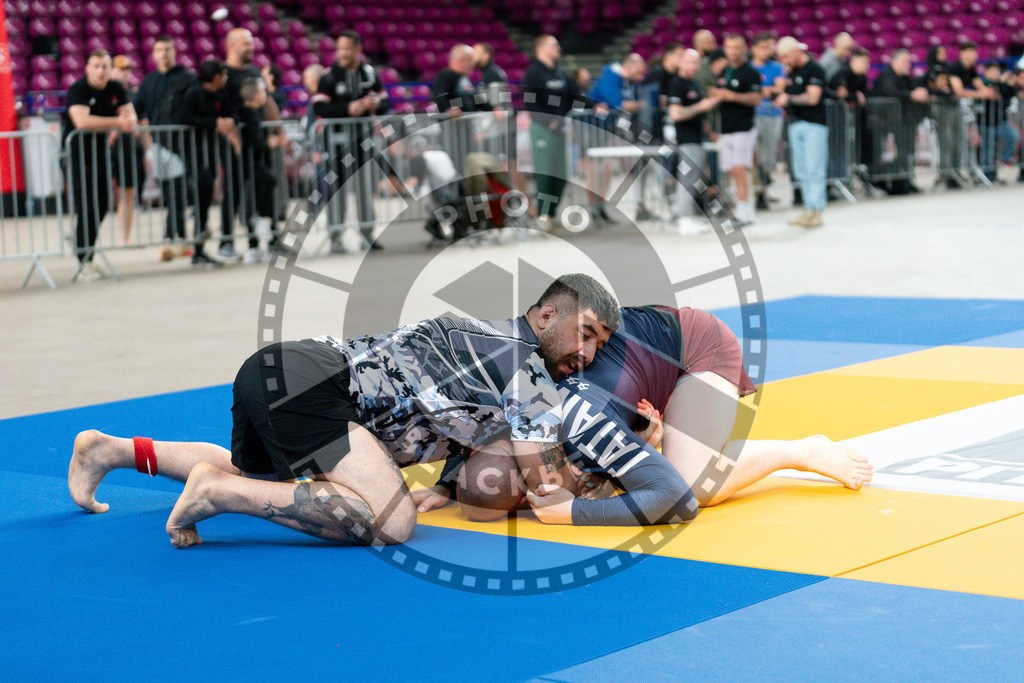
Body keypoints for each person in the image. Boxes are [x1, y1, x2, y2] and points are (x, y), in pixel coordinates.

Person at [68, 275, 699, 545]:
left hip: (282, 367)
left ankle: (114, 450)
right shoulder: (525, 369)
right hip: (315, 385)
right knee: (393, 521)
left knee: (259, 471)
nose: (588, 356)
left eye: (600, 345)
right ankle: (215, 496)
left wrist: (452, 484)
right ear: (548, 313)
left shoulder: (496, 347)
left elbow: (473, 428)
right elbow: (545, 486)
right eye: (585, 334)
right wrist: (600, 486)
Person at [419, 305, 873, 520]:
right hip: (637, 368)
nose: (531, 497)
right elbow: (483, 419)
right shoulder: (523, 413)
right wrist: (448, 482)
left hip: (694, 347)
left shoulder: (582, 410)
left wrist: (573, 510)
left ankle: (799, 451)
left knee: (696, 482)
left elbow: (674, 497)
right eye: (525, 497)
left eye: (526, 487)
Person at [310, 30, 389, 252]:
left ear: (357, 50)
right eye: (340, 49)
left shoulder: (370, 73)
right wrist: (348, 109)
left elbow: (385, 102)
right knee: (337, 190)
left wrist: (374, 104)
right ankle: (335, 237)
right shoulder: (328, 77)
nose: (343, 53)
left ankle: (367, 234)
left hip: (364, 143)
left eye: (347, 48)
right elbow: (319, 107)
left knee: (365, 187)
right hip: (336, 145)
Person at [63, 49, 137, 279]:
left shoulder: (115, 88)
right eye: (96, 66)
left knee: (103, 205)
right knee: (87, 207)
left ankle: (86, 251)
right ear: (87, 69)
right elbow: (82, 121)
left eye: (105, 66)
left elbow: (130, 115)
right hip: (77, 157)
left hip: (102, 155)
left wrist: (126, 120)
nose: (101, 71)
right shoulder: (78, 90)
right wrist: (116, 121)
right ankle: (84, 260)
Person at [521, 34, 605, 231]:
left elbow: (575, 95)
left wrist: (594, 105)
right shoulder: (533, 73)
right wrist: (548, 121)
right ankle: (543, 216)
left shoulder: (560, 73)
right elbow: (531, 103)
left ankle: (551, 212)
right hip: (542, 129)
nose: (558, 47)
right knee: (545, 173)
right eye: (554, 45)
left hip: (561, 129)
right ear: (541, 48)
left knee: (561, 174)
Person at [134, 36, 197, 249]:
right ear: (153, 54)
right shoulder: (149, 81)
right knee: (171, 193)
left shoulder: (187, 77)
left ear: (174, 51)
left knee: (179, 192)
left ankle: (174, 235)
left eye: (168, 49)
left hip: (184, 145)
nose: (164, 53)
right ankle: (175, 235)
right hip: (160, 145)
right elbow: (136, 109)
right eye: (159, 50)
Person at [180, 59, 238, 267]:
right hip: (192, 151)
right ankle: (197, 245)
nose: (225, 78)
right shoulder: (194, 93)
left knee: (206, 194)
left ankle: (199, 247)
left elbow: (229, 112)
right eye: (223, 75)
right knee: (203, 187)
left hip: (211, 151)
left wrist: (229, 120)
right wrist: (214, 123)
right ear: (215, 77)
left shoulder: (221, 93)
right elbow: (185, 117)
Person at [708, 33, 763, 226]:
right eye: (729, 47)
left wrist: (732, 96)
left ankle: (743, 211)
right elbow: (720, 93)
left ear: (743, 49)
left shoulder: (751, 72)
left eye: (736, 47)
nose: (732, 52)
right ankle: (745, 211)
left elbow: (757, 98)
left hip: (743, 128)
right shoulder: (724, 71)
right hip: (726, 128)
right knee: (732, 170)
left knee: (741, 170)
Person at [774, 37, 827, 228]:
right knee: (801, 170)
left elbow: (813, 98)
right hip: (795, 124)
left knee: (814, 169)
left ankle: (817, 211)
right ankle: (807, 208)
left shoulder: (814, 69)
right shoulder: (791, 72)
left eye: (786, 56)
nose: (785, 60)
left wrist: (789, 98)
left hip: (813, 125)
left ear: (796, 51)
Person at [587, 53, 647, 221]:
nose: (641, 76)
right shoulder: (611, 76)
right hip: (593, 128)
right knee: (595, 170)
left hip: (608, 129)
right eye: (639, 72)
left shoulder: (626, 81)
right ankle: (593, 209)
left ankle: (600, 208)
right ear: (630, 66)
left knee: (606, 170)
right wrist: (641, 105)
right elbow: (618, 104)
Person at [667, 48, 720, 235]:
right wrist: (701, 106)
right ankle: (683, 218)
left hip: (698, 138)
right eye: (690, 62)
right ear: (681, 63)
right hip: (686, 139)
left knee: (693, 178)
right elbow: (676, 113)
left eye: (697, 62)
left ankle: (687, 216)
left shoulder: (694, 84)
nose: (694, 66)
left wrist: (710, 132)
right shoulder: (677, 84)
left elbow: (700, 115)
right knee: (687, 179)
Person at [236, 77, 288, 263]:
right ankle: (259, 223)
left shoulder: (254, 113)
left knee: (266, 185)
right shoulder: (248, 113)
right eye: (264, 92)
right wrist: (271, 142)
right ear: (257, 95)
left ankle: (261, 227)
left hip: (255, 164)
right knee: (266, 184)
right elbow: (256, 141)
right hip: (249, 164)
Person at [869, 49, 929, 195]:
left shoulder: (905, 77)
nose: (908, 64)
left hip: (902, 121)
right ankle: (881, 183)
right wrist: (911, 95)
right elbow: (889, 91)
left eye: (909, 61)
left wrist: (921, 92)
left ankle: (905, 182)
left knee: (906, 152)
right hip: (881, 121)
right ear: (894, 61)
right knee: (880, 154)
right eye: (905, 61)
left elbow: (915, 88)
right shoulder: (886, 75)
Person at [947, 41, 998, 185]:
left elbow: (980, 86)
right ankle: (952, 175)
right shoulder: (955, 68)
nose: (975, 55)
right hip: (950, 110)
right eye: (972, 52)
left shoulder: (971, 69)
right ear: (963, 53)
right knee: (954, 142)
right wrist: (982, 94)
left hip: (963, 111)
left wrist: (987, 91)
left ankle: (969, 171)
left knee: (967, 142)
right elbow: (959, 91)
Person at [109, 55, 146, 246]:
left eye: (127, 69)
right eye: (121, 69)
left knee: (128, 191)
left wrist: (147, 149)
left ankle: (125, 237)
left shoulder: (133, 92)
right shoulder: (104, 91)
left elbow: (141, 119)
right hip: (108, 147)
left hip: (128, 146)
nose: (125, 73)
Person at [750, 32, 786, 211]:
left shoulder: (777, 67)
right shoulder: (748, 67)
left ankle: (764, 187)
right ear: (754, 48)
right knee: (754, 155)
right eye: (763, 47)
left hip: (773, 115)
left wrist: (760, 91)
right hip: (753, 116)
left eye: (769, 47)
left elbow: (778, 88)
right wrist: (764, 91)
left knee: (769, 155)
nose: (767, 51)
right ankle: (759, 193)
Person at [830, 47, 872, 184]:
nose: (867, 66)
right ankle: (837, 181)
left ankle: (857, 173)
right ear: (855, 60)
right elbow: (841, 93)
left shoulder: (862, 77)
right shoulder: (842, 74)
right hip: (835, 121)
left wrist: (856, 97)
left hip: (855, 121)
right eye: (864, 62)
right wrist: (855, 97)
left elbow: (865, 97)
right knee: (839, 150)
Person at [978, 62, 1021, 181]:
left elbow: (1008, 95)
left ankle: (1002, 159)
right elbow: (991, 91)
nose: (995, 73)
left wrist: (1010, 85)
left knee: (1013, 136)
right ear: (986, 72)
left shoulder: (1001, 83)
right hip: (986, 122)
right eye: (992, 71)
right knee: (988, 148)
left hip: (1000, 121)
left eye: (997, 71)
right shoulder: (983, 82)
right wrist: (1001, 82)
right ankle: (989, 175)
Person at [473, 42, 508, 111]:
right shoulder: (485, 72)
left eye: (476, 53)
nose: (473, 56)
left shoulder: (492, 73)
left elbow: (497, 104)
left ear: (486, 55)